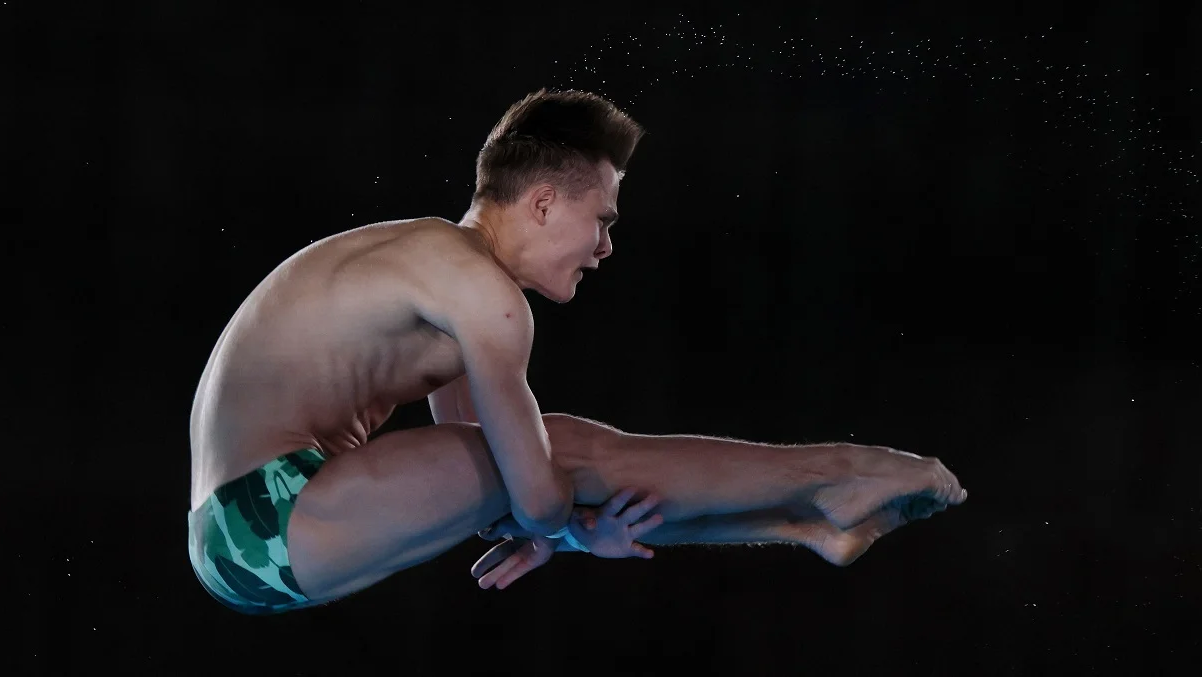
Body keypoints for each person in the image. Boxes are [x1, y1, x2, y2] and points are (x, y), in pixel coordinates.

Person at [187, 88, 967, 615]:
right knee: (560, 448)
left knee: (551, 462)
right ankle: (842, 475)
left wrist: (555, 525)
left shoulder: (437, 270)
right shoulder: (478, 293)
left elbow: (504, 493)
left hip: (247, 530)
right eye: (602, 219)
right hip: (267, 513)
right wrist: (557, 525)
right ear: (542, 201)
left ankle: (807, 525)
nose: (603, 247)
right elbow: (534, 493)